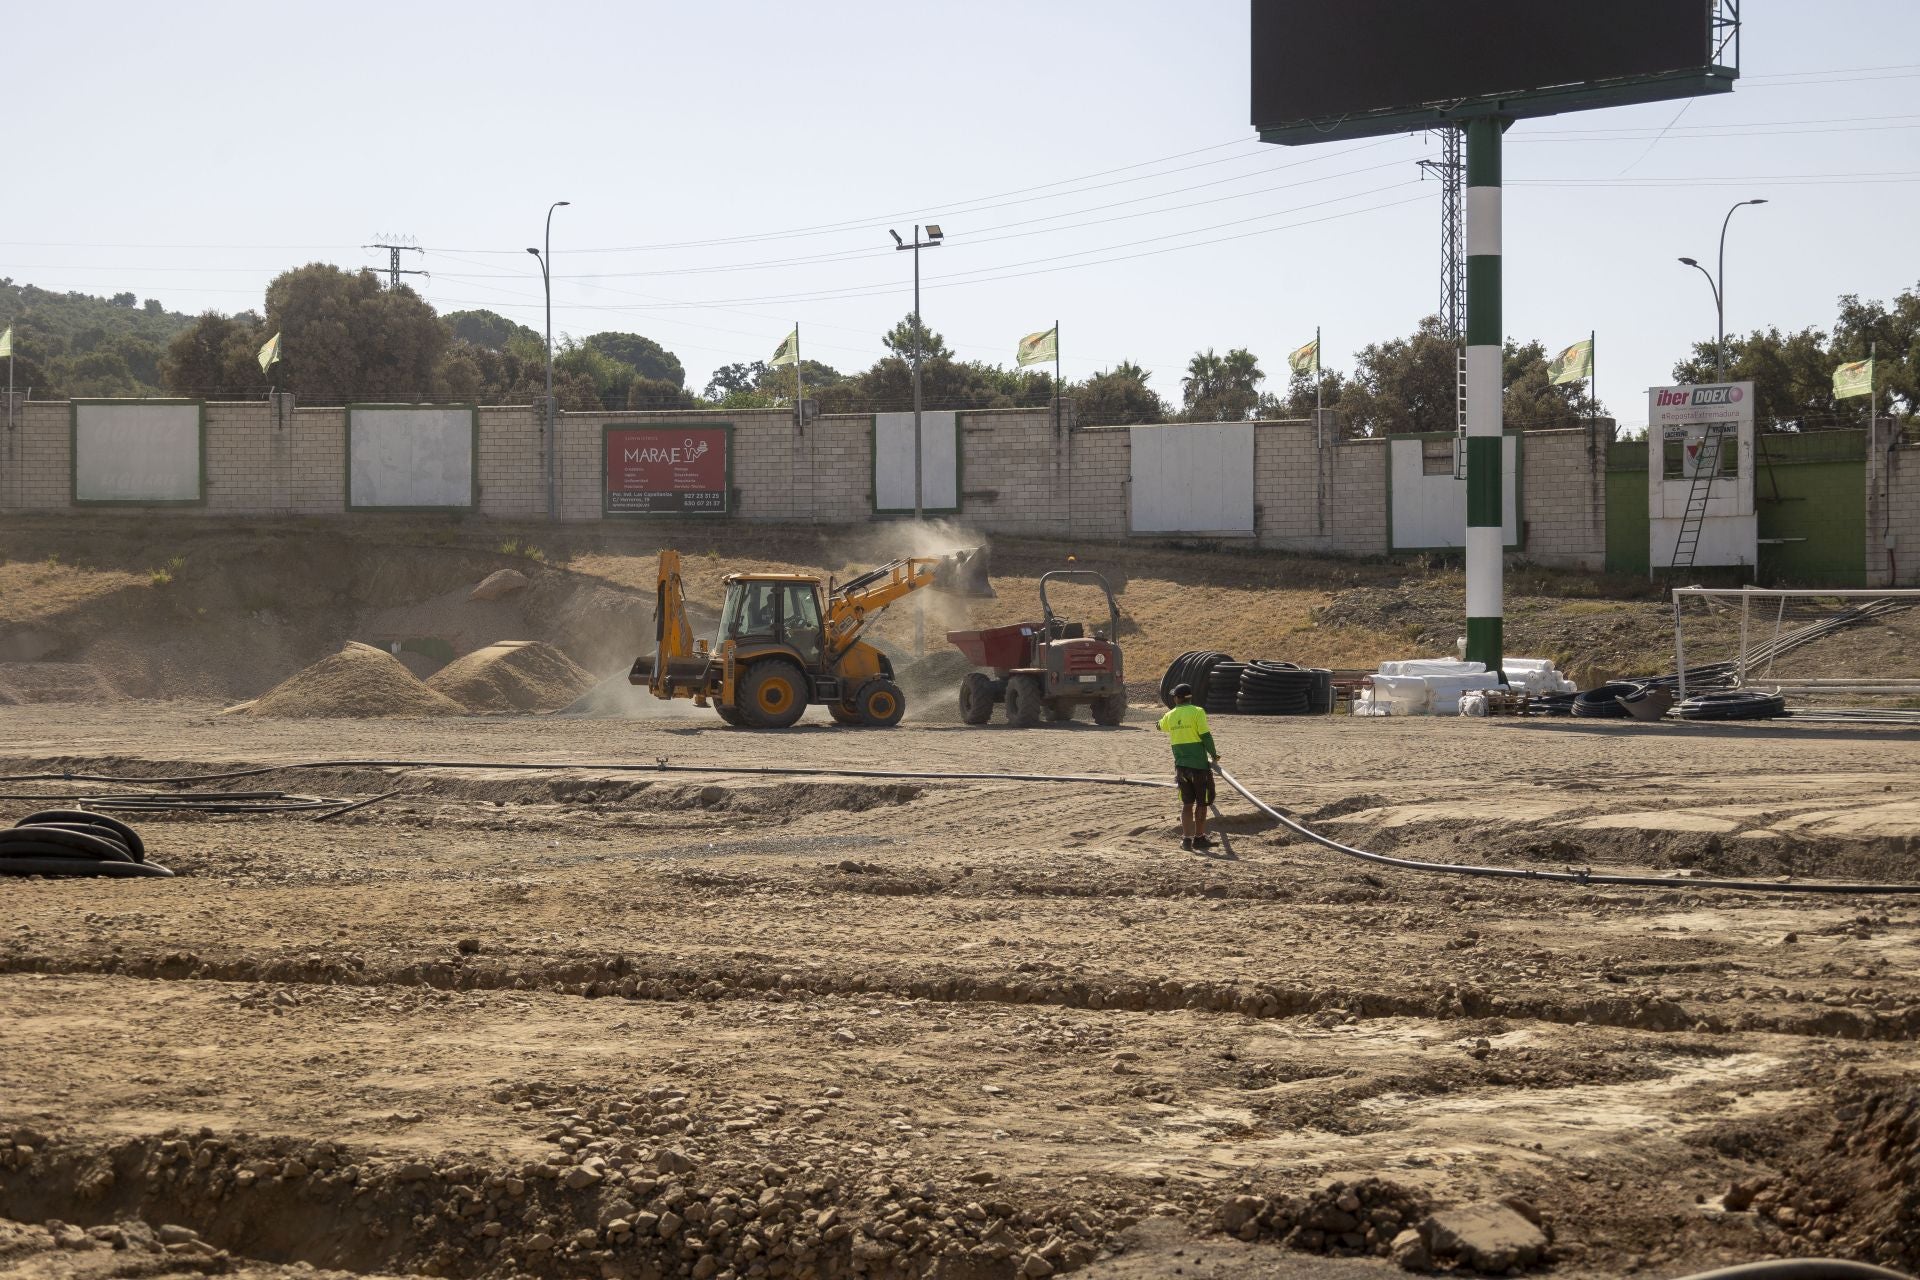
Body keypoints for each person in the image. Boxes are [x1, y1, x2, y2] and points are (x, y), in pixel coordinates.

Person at [1156, 683, 1219, 851]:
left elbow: (1159, 725)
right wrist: (1214, 755)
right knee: (1202, 803)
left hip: (1182, 768)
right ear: (1189, 697)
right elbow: (1206, 736)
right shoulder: (1197, 712)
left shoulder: (1170, 715)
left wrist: (1164, 722)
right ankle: (1199, 838)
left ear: (1177, 698)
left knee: (1187, 804)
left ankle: (1186, 840)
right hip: (1199, 767)